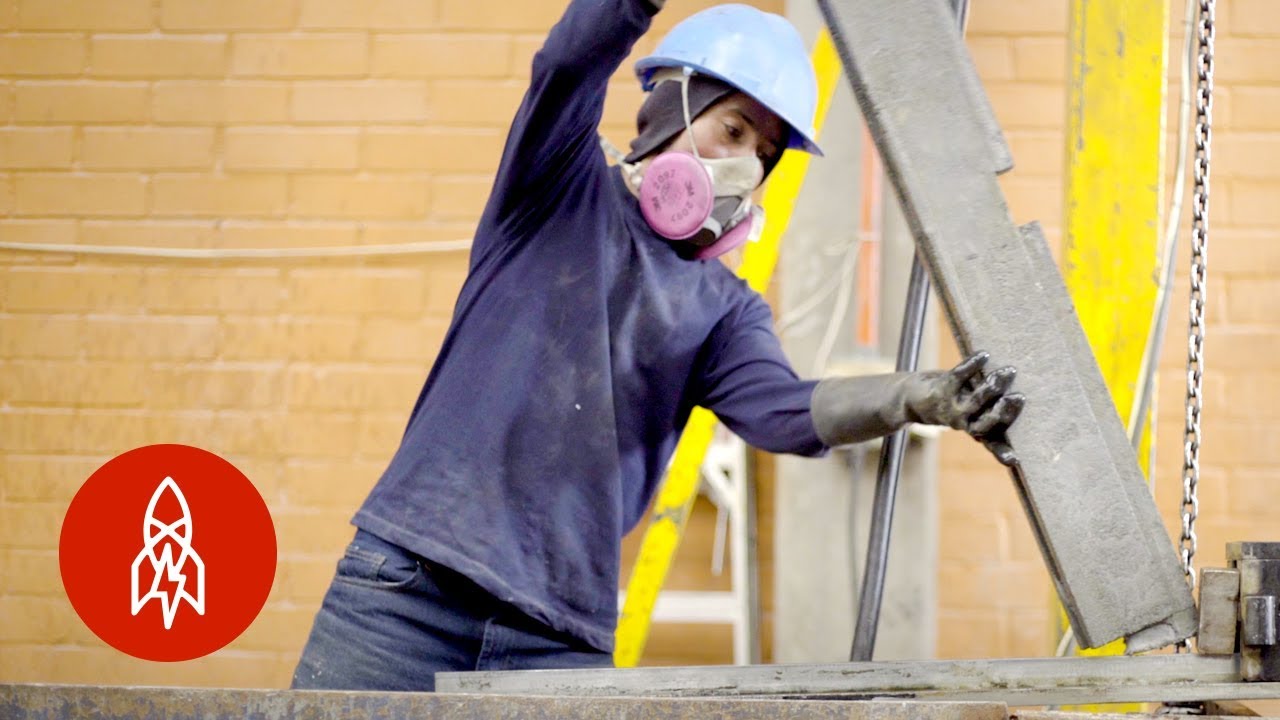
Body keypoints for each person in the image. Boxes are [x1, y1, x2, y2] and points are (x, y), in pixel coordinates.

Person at [290, 0, 1023, 692]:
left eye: (764, 154)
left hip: (556, 637)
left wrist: (917, 397)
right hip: (408, 596)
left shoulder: (726, 310)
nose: (744, 167)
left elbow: (785, 412)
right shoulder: (556, 186)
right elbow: (566, 66)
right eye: (733, 130)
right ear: (670, 105)